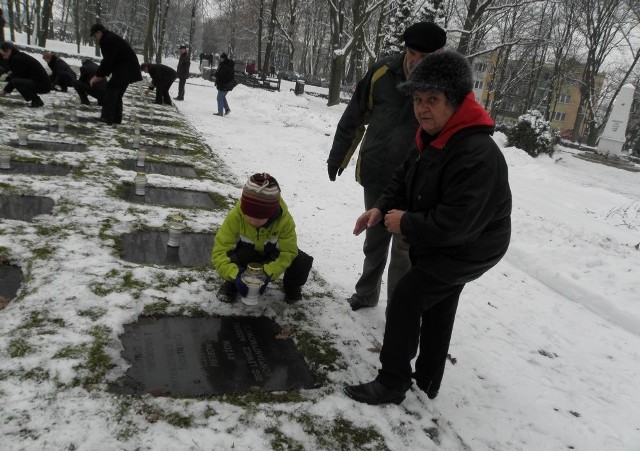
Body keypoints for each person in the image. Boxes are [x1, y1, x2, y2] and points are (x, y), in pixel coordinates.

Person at [343, 51, 512, 406]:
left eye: (432, 100)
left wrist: (404, 221)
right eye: (418, 100)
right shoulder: (431, 136)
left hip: (474, 245)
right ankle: (429, 379)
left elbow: (456, 225)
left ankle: (392, 382)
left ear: (456, 100)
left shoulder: (476, 152)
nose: (422, 108)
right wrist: (379, 208)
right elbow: (403, 178)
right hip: (453, 236)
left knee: (408, 295)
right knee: (440, 300)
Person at [327, 22, 447, 312]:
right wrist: (338, 155)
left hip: (416, 182)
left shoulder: (443, 86)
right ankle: (366, 294)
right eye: (412, 52)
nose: (416, 61)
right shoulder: (382, 72)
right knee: (374, 239)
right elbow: (355, 113)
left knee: (405, 250)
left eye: (425, 56)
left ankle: (400, 308)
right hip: (378, 170)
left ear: (439, 53)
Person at [212, 173, 314, 304]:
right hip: (247, 255)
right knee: (238, 255)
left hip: (271, 255)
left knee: (301, 260)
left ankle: (292, 287)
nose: (253, 222)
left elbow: (288, 252)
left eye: (260, 217)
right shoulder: (235, 217)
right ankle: (232, 284)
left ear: (271, 213)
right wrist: (235, 274)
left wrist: (267, 273)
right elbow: (220, 251)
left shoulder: (285, 221)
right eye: (248, 215)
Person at [89, 23, 142, 125]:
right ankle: (116, 119)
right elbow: (111, 60)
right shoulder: (110, 37)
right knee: (117, 94)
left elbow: (108, 60)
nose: (95, 38)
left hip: (125, 69)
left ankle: (106, 117)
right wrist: (101, 74)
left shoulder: (108, 39)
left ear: (99, 32)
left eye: (95, 35)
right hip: (127, 69)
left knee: (111, 89)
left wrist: (98, 75)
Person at [0, 42, 52, 107]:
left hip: (43, 85)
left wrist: (4, 91)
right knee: (15, 81)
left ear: (9, 51)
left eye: (4, 55)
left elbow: (16, 77)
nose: (3, 57)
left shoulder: (17, 59)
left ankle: (36, 101)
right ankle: (36, 100)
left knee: (16, 82)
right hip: (41, 82)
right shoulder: (17, 56)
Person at [213, 52, 235, 116]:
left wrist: (216, 74)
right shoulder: (228, 65)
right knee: (222, 97)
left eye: (221, 58)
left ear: (224, 58)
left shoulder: (225, 66)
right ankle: (227, 109)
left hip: (224, 84)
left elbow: (221, 75)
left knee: (219, 98)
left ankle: (220, 112)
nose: (220, 59)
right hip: (227, 84)